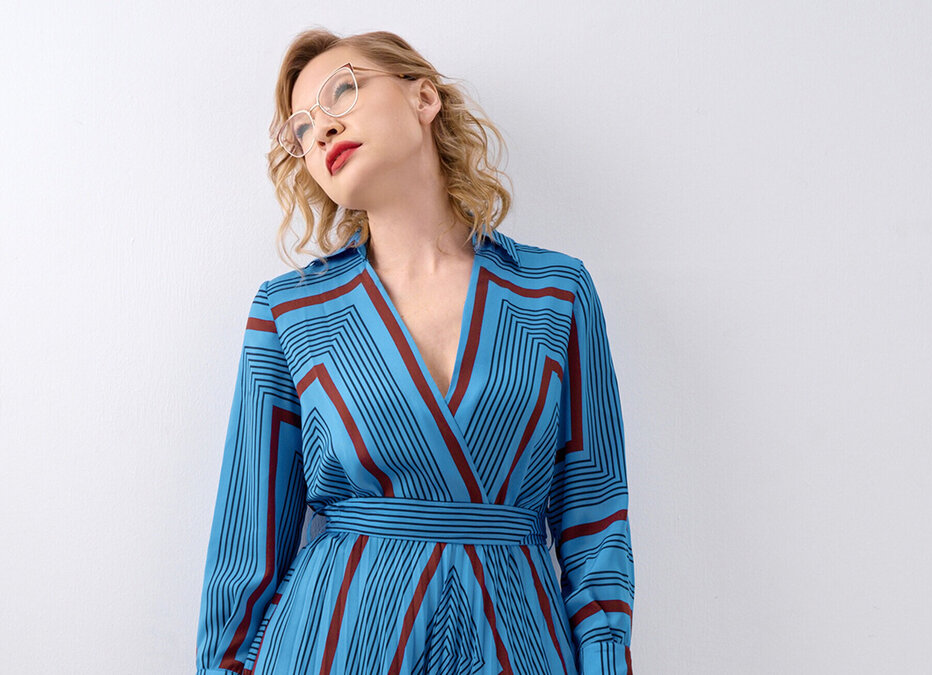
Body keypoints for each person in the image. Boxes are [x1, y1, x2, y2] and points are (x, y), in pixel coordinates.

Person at [196, 28, 635, 675]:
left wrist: (604, 659)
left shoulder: (554, 293)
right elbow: (246, 544)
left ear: (423, 98)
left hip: (515, 642)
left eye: (341, 91)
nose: (322, 129)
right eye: (301, 129)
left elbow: (595, 516)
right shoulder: (290, 311)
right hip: (335, 643)